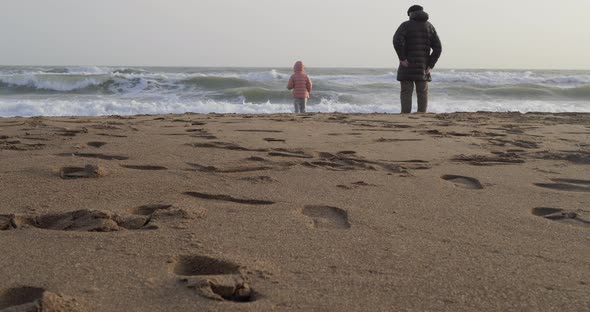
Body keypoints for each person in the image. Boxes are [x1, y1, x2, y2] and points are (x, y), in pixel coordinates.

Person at [393, 5, 442, 113]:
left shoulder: (405, 25)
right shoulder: (429, 26)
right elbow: (438, 48)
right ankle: (422, 116)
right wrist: (430, 65)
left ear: (411, 13)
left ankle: (405, 116)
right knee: (423, 93)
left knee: (406, 91)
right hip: (423, 67)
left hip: (407, 65)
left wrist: (402, 58)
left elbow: (397, 41)